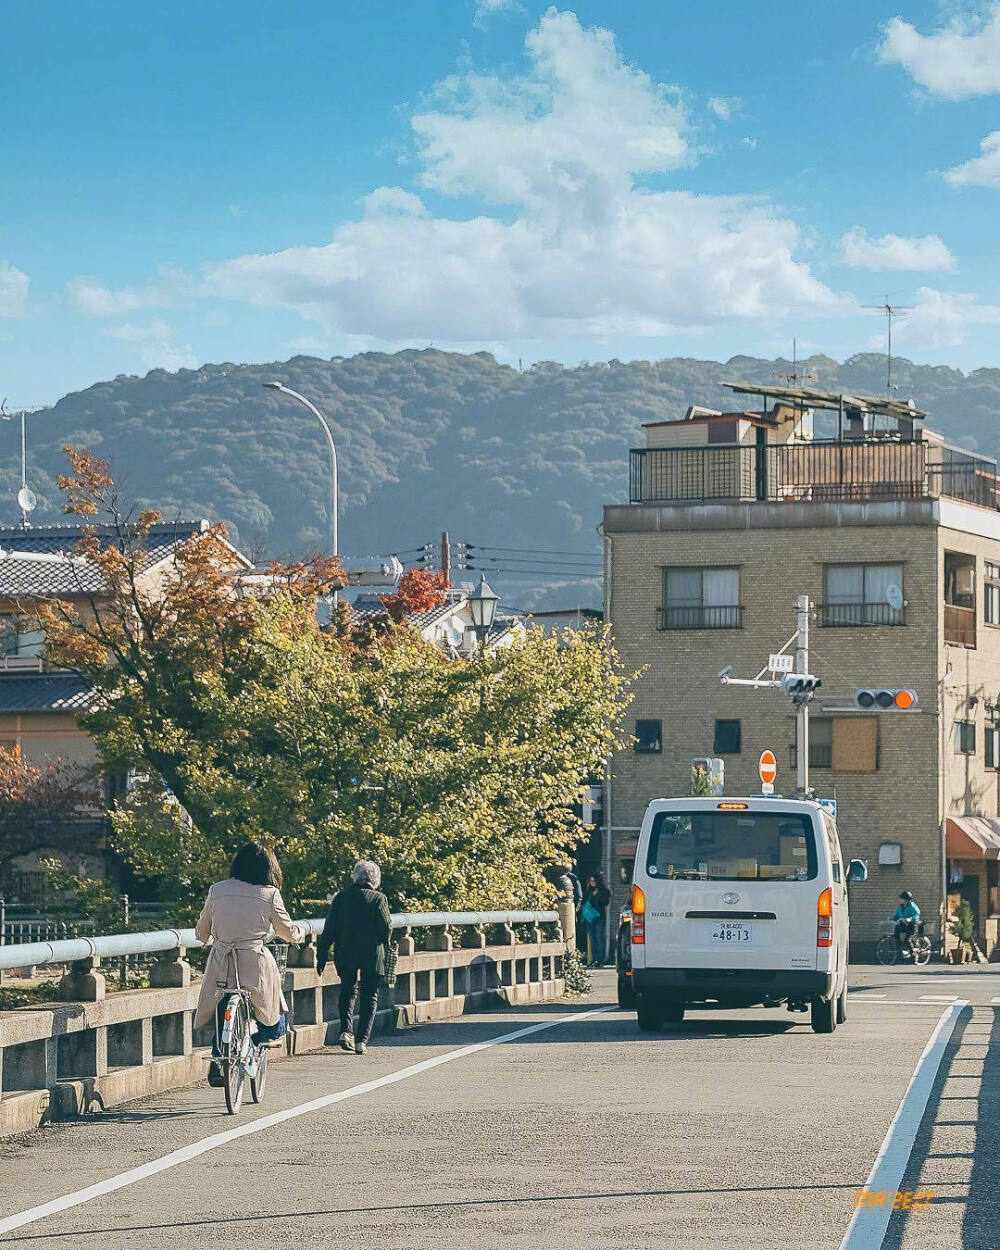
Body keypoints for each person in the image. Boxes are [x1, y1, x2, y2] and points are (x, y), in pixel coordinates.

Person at [194, 842, 305, 1086]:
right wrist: (298, 934)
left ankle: (218, 1057)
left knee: (223, 1005)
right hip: (253, 963)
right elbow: (285, 930)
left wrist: (208, 938)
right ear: (269, 868)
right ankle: (252, 1043)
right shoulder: (269, 894)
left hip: (222, 961)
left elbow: (202, 930)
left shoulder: (218, 890)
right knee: (272, 1012)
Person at [316, 860, 392, 1056]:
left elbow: (330, 928)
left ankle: (345, 1031)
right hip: (372, 955)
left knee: (348, 991)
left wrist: (322, 954)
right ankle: (362, 1041)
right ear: (375, 880)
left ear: (355, 877)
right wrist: (386, 941)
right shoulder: (379, 899)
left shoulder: (342, 898)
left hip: (346, 952)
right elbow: (385, 929)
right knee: (369, 996)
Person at [581, 872, 611, 967]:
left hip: (599, 918)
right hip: (590, 918)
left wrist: (598, 895)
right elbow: (585, 901)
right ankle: (593, 959)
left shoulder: (604, 891)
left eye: (593, 881)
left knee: (599, 939)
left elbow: (605, 903)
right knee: (592, 939)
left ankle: (600, 960)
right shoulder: (588, 891)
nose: (592, 883)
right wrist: (592, 895)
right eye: (590, 881)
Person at [893, 890, 921, 958]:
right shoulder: (900, 907)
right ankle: (900, 949)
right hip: (904, 924)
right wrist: (892, 919)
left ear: (907, 900)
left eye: (902, 899)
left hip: (912, 925)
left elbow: (917, 915)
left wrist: (910, 919)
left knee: (907, 940)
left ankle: (914, 954)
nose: (901, 900)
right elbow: (897, 915)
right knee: (896, 930)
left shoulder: (912, 906)